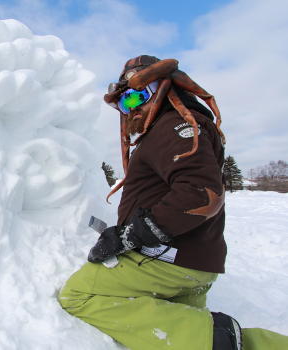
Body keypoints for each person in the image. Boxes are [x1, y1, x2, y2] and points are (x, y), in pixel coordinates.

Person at [59, 56, 288, 350]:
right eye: (125, 103)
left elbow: (200, 192)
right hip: (192, 259)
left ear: (165, 87)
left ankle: (233, 343)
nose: (133, 108)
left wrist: (129, 236)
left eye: (139, 95)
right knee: (185, 337)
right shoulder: (177, 126)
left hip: (169, 259)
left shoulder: (173, 125)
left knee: (78, 295)